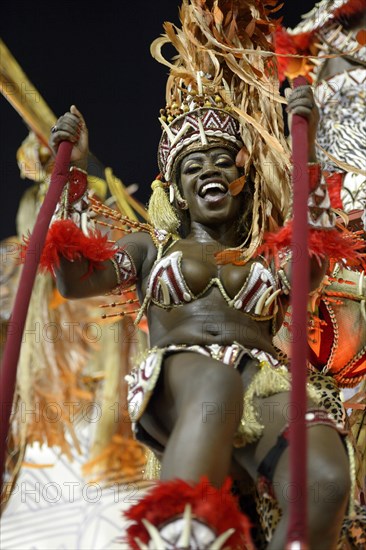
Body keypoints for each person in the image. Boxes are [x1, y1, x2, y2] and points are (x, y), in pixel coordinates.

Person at [38, 1, 365, 548]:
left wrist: (306, 168)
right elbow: (73, 279)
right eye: (194, 164)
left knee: (327, 480)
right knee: (214, 386)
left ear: (241, 182)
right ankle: (178, 534)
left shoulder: (265, 252)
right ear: (177, 189)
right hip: (183, 377)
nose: (210, 170)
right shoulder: (151, 247)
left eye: (222, 161)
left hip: (266, 380)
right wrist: (69, 178)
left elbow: (306, 276)